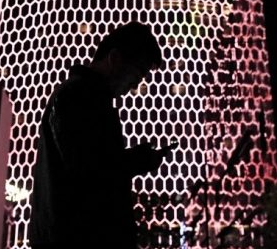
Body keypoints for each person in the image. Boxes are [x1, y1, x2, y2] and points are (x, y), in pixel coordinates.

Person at [29, 22, 172, 249]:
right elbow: (88, 172)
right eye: (137, 73)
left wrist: (133, 159)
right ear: (115, 58)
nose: (135, 84)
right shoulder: (78, 96)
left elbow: (93, 163)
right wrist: (136, 160)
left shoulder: (86, 96)